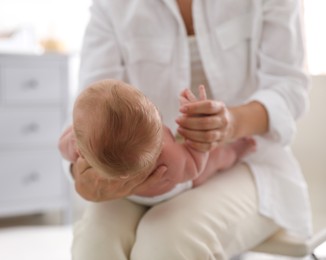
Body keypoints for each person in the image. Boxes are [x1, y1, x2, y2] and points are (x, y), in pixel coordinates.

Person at [60, 0, 312, 259]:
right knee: (96, 243)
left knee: (167, 243)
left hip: (252, 164)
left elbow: (289, 90)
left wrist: (231, 123)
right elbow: (90, 106)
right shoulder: (112, 6)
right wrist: (83, 172)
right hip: (130, 166)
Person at [60, 79, 256, 206]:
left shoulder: (81, 149)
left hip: (123, 196)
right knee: (215, 159)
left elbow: (62, 146)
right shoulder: (168, 156)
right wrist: (197, 140)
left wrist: (72, 139)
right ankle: (238, 150)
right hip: (167, 193)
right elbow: (194, 166)